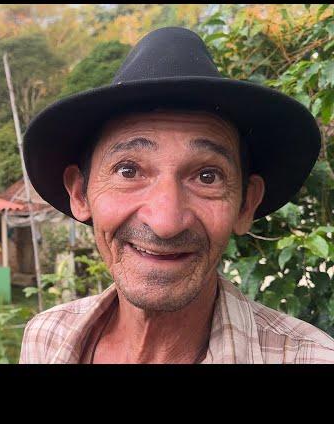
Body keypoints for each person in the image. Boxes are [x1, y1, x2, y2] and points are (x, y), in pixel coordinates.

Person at [19, 27, 334, 364]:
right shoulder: (46, 337)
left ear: (246, 204)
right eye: (128, 171)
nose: (166, 222)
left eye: (207, 176)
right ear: (80, 193)